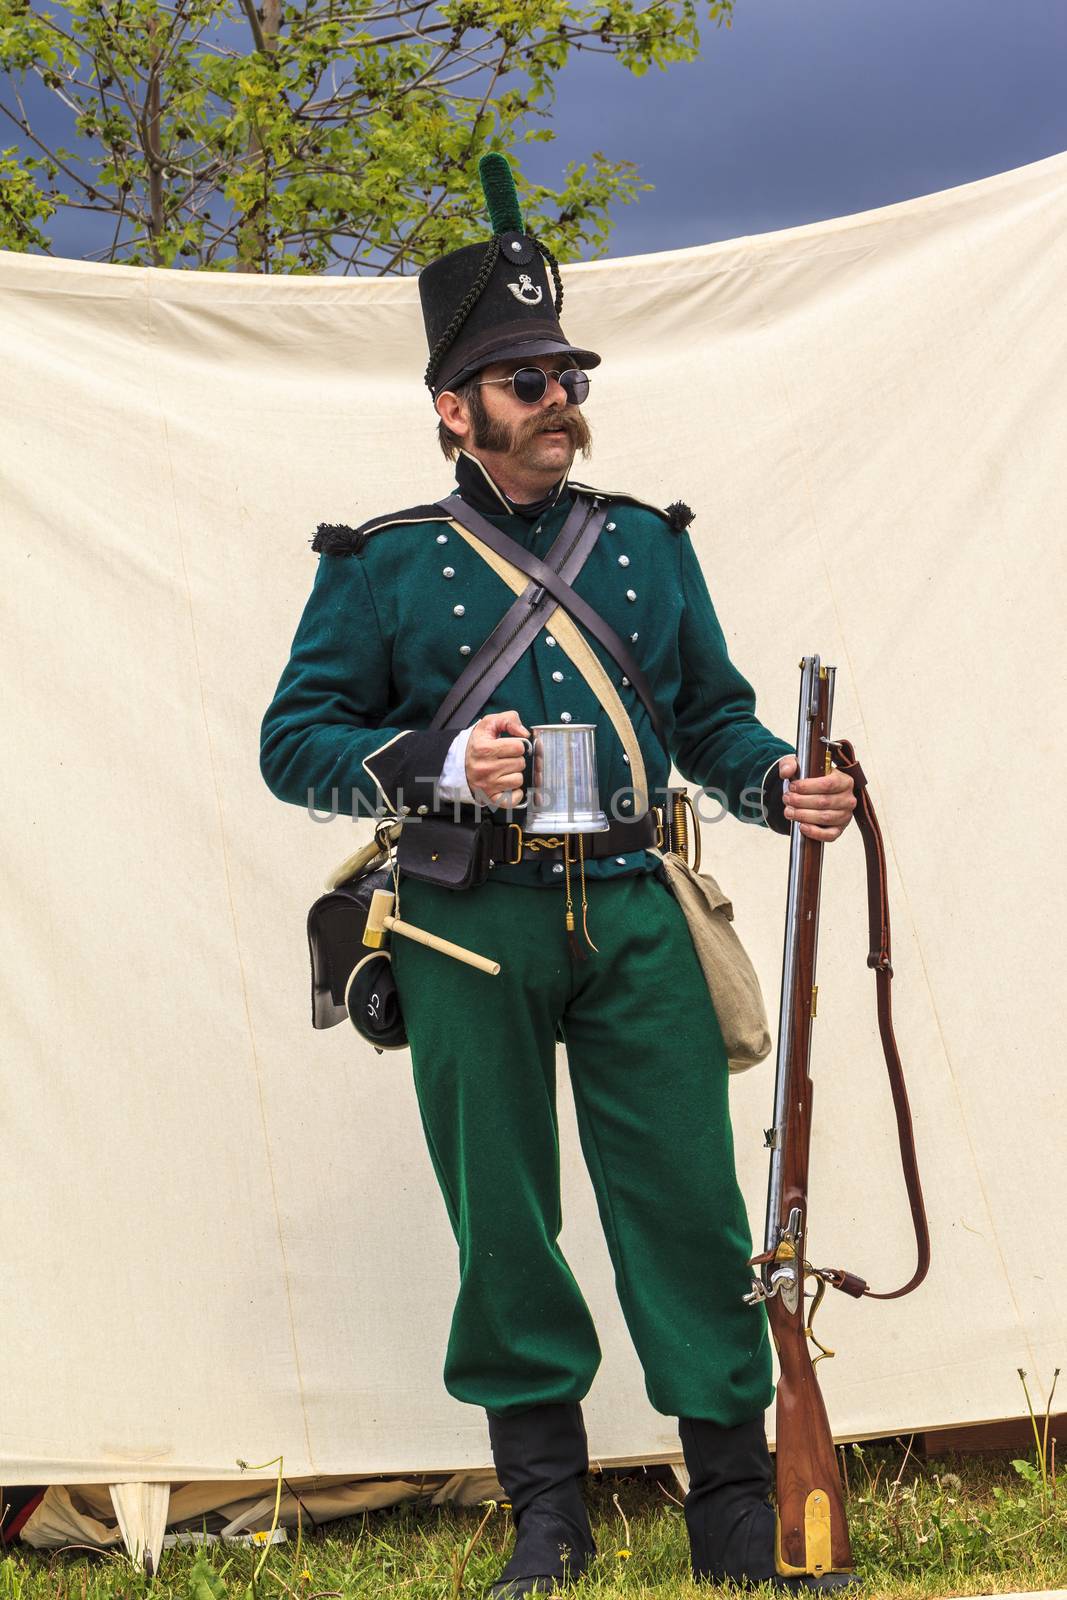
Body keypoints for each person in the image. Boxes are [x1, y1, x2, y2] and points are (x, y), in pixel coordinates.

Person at [260, 155, 857, 1598]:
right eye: (521, 379)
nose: (556, 399)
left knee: (689, 1207)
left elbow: (710, 719)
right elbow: (296, 745)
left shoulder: (647, 546)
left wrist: (781, 780)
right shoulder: (383, 565)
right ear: (454, 410)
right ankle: (550, 1511)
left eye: (565, 371)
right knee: (505, 1217)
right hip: (469, 924)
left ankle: (729, 1503)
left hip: (642, 916)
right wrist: (444, 763)